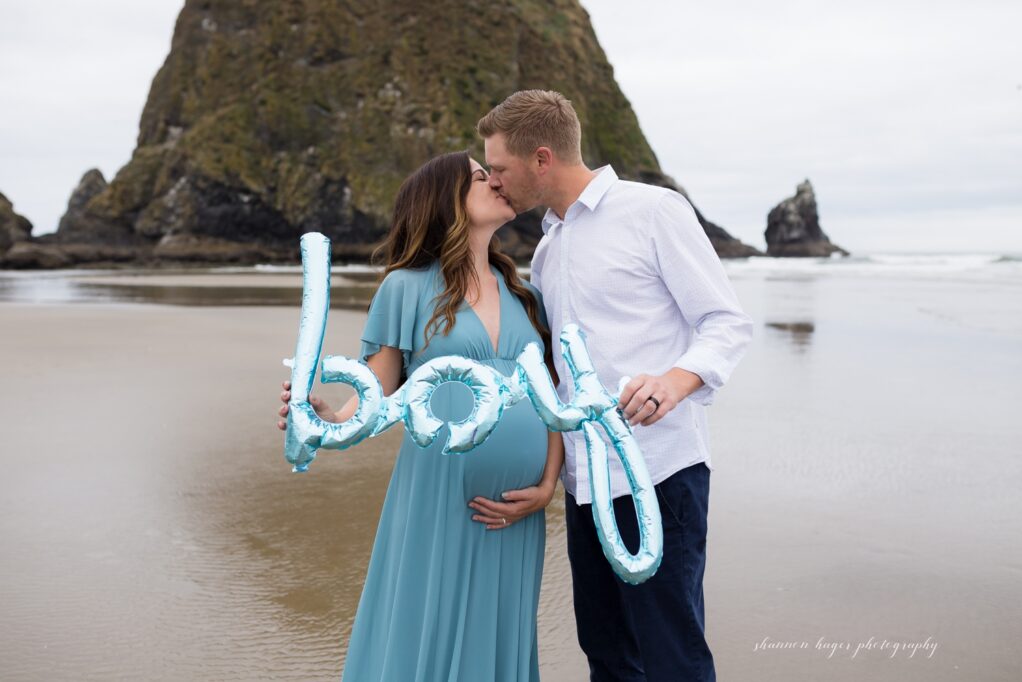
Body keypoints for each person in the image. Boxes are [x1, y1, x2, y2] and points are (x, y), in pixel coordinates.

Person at [471, 90, 754, 682]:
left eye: (498, 169)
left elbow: (725, 321)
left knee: (671, 654)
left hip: (659, 471)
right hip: (584, 485)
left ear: (541, 159)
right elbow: (554, 374)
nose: (494, 182)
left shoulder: (654, 211)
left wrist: (675, 381)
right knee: (605, 652)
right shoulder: (547, 249)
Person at [276, 151, 564, 682]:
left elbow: (552, 402)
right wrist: (324, 413)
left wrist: (548, 485)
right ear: (447, 200)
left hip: (517, 512)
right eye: (482, 177)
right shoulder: (405, 288)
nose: (497, 181)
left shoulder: (526, 295)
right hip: (440, 496)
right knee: (425, 626)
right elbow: (374, 396)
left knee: (499, 634)